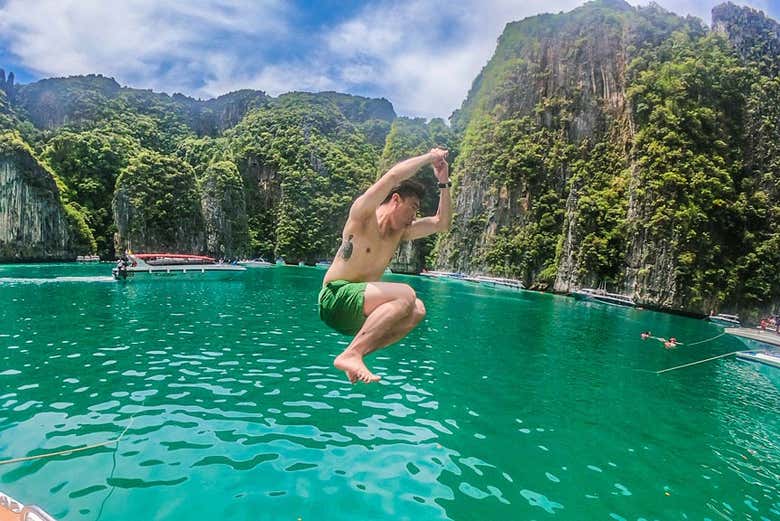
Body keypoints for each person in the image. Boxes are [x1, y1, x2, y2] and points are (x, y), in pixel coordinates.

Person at [319, 148, 452, 383]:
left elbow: (441, 223)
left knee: (418, 310)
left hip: (358, 315)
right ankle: (353, 353)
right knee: (407, 294)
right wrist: (429, 158)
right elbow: (392, 177)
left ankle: (354, 354)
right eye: (412, 207)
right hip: (335, 297)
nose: (414, 215)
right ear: (395, 200)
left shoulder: (398, 233)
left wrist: (444, 182)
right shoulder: (363, 215)